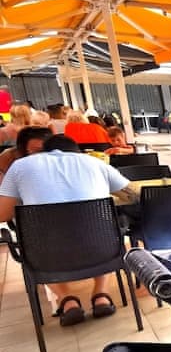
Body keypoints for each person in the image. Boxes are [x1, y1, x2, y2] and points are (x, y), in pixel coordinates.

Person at [0, 134, 137, 326]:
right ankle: (101, 295)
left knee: (37, 241)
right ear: (77, 151)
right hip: (103, 251)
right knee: (100, 230)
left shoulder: (20, 167)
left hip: (46, 258)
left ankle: (68, 301)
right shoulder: (95, 162)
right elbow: (133, 195)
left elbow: (3, 214)